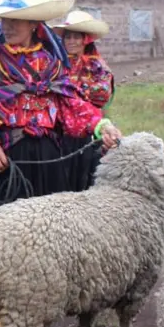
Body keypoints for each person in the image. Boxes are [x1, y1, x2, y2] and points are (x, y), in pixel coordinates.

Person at [0, 0, 123, 327]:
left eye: (15, 20)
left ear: (34, 24)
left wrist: (101, 125)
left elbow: (71, 104)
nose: (7, 26)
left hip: (46, 162)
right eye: (4, 20)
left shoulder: (50, 63)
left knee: (40, 247)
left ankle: (30, 320)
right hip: (3, 162)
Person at [49, 10, 114, 191]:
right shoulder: (55, 64)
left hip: (88, 129)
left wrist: (70, 92)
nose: (71, 41)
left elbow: (103, 94)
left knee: (85, 177)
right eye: (68, 37)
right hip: (59, 131)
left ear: (86, 39)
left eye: (76, 37)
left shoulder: (96, 66)